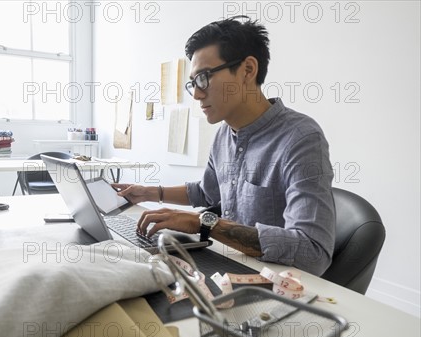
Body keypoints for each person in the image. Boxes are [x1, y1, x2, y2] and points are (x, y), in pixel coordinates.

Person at [114, 17, 335, 276]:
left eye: (203, 78)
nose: (196, 94)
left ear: (247, 70)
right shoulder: (223, 135)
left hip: (274, 282)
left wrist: (205, 223)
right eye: (193, 83)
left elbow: (312, 253)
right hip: (227, 265)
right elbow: (208, 193)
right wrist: (150, 193)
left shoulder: (300, 138)